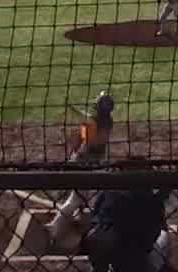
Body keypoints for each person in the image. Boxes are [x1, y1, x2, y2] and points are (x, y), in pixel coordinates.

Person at [46, 92, 116, 247]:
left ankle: (73, 212)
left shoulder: (93, 121)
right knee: (78, 196)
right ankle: (55, 225)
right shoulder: (105, 122)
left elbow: (89, 137)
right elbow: (94, 139)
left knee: (81, 192)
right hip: (88, 162)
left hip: (82, 159)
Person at [81, 187, 170, 272]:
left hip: (111, 247)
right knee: (163, 237)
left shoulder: (108, 190)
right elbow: (153, 237)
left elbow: (93, 222)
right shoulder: (151, 201)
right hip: (135, 255)